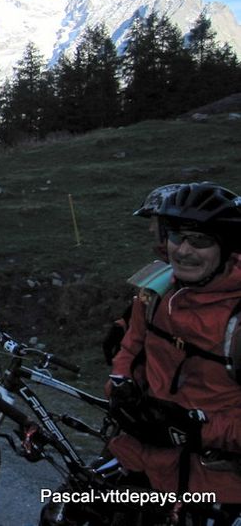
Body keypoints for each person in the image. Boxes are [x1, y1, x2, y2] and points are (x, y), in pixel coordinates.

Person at [107, 182, 241, 505]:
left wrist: (195, 429)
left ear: (227, 247)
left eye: (200, 241)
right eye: (177, 238)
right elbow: (130, 348)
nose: (183, 251)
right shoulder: (156, 289)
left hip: (217, 485)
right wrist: (120, 386)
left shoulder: (237, 322)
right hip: (140, 460)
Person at [101, 184, 182, 365]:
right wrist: (124, 324)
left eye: (155, 220)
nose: (151, 229)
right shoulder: (166, 268)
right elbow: (146, 305)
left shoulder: (193, 277)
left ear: (172, 224)